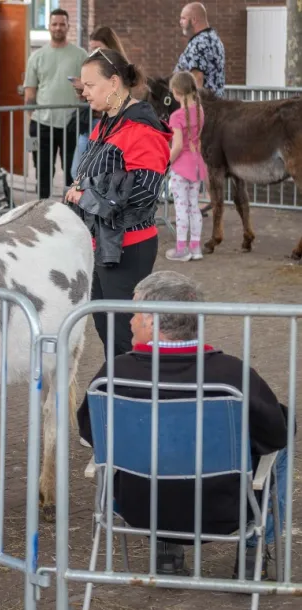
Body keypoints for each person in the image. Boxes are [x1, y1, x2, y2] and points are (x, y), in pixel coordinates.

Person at [77, 271, 290, 579]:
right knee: (282, 444)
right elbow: (275, 434)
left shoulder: (114, 376)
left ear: (152, 320)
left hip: (140, 509)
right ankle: (253, 551)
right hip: (222, 511)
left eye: (135, 313)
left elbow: (90, 433)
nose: (130, 321)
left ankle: (165, 548)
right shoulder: (232, 376)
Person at [66, 48, 171, 358]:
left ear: (113, 83)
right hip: (103, 243)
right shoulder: (109, 122)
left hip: (128, 245)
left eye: (90, 85)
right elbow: (91, 173)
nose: (84, 93)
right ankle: (124, 392)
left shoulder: (141, 128)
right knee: (107, 329)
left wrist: (87, 195)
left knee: (124, 335)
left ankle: (137, 395)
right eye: (82, 86)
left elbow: (145, 191)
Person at [24, 8, 87, 199]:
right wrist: (32, 121)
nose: (58, 27)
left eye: (62, 24)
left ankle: (69, 213)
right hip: (42, 125)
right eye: (54, 24)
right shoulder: (36, 56)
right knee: (42, 171)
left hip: (71, 124)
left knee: (72, 171)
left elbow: (89, 88)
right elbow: (30, 93)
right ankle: (42, 210)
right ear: (49, 26)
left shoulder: (80, 55)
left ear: (68, 26)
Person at [70, 26, 127, 177]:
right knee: (77, 171)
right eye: (92, 49)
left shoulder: (118, 70)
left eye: (98, 48)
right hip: (91, 124)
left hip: (108, 127)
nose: (94, 53)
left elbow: (115, 98)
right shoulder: (95, 68)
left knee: (96, 173)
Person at [165, 71, 207, 263]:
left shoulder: (176, 116)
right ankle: (195, 247)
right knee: (194, 208)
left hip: (181, 167)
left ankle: (182, 249)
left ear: (176, 92)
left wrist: (166, 162)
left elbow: (178, 146)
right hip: (197, 165)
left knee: (181, 209)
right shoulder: (200, 111)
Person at [175, 2, 225, 98]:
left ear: (194, 20)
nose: (180, 22)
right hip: (215, 105)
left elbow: (197, 78)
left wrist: (194, 108)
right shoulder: (214, 38)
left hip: (201, 107)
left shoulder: (199, 43)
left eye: (183, 18)